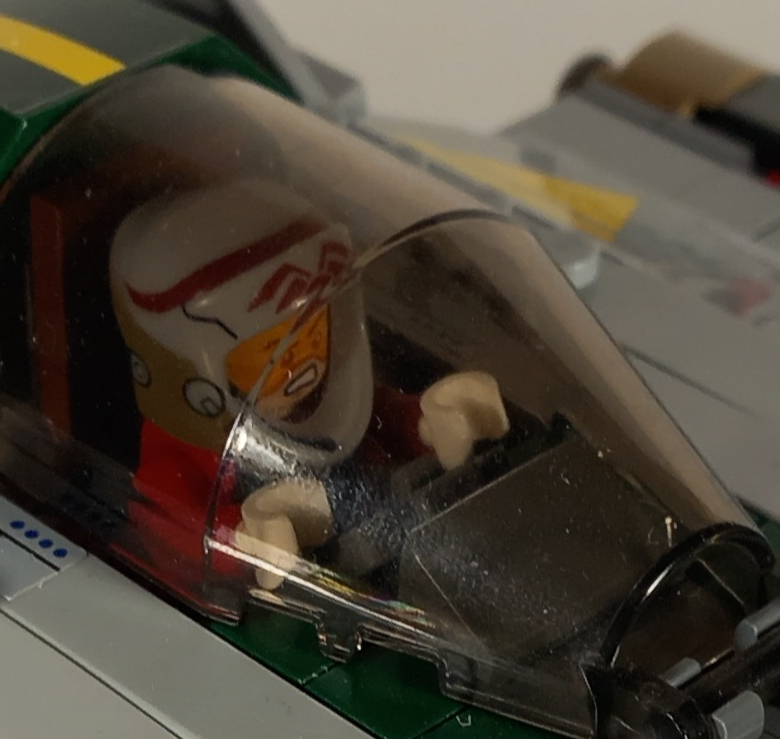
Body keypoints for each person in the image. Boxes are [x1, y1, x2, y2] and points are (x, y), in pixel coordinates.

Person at [108, 178, 506, 579]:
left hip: (400, 555)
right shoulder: (184, 456)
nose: (298, 362)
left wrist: (427, 424)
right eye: (270, 350)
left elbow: (376, 422)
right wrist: (245, 537)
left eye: (313, 334)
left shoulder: (327, 407)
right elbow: (169, 520)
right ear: (196, 379)